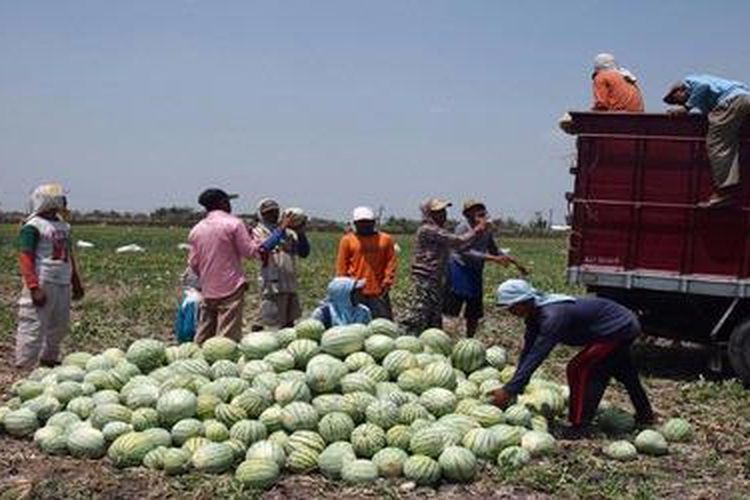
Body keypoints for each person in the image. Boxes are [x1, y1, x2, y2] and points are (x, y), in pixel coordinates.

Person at [490, 279, 654, 439]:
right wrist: (516, 385)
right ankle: (645, 415)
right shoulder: (534, 316)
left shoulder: (552, 317)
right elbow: (528, 352)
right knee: (625, 371)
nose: (510, 312)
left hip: (617, 328)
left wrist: (508, 390)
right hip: (618, 324)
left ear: (523, 302)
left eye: (511, 308)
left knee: (580, 369)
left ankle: (580, 425)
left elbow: (538, 354)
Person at [188, 188, 290, 343]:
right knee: (227, 334)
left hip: (208, 288)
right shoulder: (234, 224)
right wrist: (274, 235)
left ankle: (198, 357)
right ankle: (222, 361)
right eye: (228, 201)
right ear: (223, 203)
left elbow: (194, 263)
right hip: (231, 286)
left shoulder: (197, 229)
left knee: (205, 328)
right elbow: (251, 252)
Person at [15, 183, 84, 369]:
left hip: (62, 281)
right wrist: (33, 287)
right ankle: (24, 364)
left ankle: (48, 360)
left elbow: (69, 256)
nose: (65, 202)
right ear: (49, 201)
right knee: (33, 324)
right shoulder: (33, 226)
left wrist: (75, 282)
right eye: (61, 198)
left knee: (59, 325)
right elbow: (26, 257)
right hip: (43, 280)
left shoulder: (64, 226)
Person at [399, 198, 488, 333]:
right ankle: (405, 340)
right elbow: (457, 240)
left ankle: (429, 344)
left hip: (435, 279)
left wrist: (479, 233)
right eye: (438, 212)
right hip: (424, 279)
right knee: (417, 315)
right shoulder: (428, 230)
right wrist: (476, 230)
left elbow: (461, 245)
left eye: (444, 211)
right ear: (429, 214)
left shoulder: (439, 230)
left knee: (433, 317)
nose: (443, 214)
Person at [664, 75, 750, 207]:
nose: (678, 104)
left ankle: (725, 190)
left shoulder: (690, 81)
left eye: (675, 100)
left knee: (717, 143)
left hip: (732, 101)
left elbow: (703, 86)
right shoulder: (707, 97)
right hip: (743, 98)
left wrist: (686, 108)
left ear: (680, 90)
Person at [444, 200, 526, 337]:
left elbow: (493, 249)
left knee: (474, 308)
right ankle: (446, 336)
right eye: (476, 211)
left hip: (475, 271)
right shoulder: (463, 228)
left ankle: (469, 338)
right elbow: (465, 251)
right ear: (467, 215)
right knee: (452, 307)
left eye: (482, 210)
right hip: (459, 268)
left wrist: (514, 261)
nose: (481, 213)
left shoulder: (487, 229)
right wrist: (494, 259)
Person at [252, 198, 310, 330]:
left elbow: (304, 252)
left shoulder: (289, 233)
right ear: (262, 214)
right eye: (268, 212)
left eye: (275, 211)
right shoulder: (258, 231)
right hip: (272, 283)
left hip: (289, 282)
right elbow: (265, 248)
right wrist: (282, 228)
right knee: (268, 320)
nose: (273, 214)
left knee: (289, 322)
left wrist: (301, 233)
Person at [335, 206, 397, 319]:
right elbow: (342, 266)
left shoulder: (385, 239)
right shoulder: (347, 240)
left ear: (374, 222)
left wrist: (387, 281)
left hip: (379, 290)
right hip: (355, 290)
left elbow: (390, 263)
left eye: (368, 222)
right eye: (361, 222)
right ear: (355, 223)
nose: (365, 225)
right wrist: (343, 287)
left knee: (381, 322)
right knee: (357, 324)